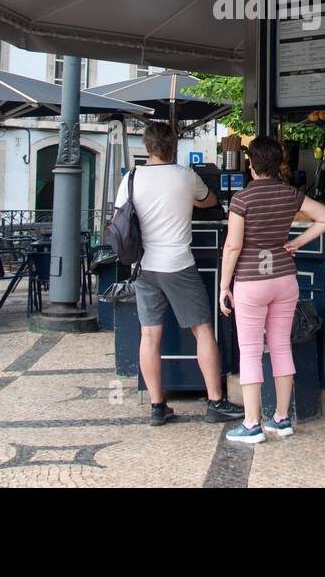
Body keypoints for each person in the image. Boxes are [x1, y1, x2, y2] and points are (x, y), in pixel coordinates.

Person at [120, 121, 244, 426]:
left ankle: (157, 406)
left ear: (147, 146)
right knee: (202, 330)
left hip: (144, 265)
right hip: (178, 263)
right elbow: (210, 201)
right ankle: (215, 401)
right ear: (172, 146)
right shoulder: (184, 176)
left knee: (149, 336)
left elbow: (119, 219)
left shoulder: (132, 179)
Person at [218, 135, 325, 444]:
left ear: (251, 165)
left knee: (251, 352)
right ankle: (282, 419)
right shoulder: (289, 194)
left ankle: (252, 423)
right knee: (282, 346)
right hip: (284, 279)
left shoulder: (242, 199)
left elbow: (233, 246)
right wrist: (295, 243)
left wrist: (223, 285)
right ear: (278, 163)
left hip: (251, 282)